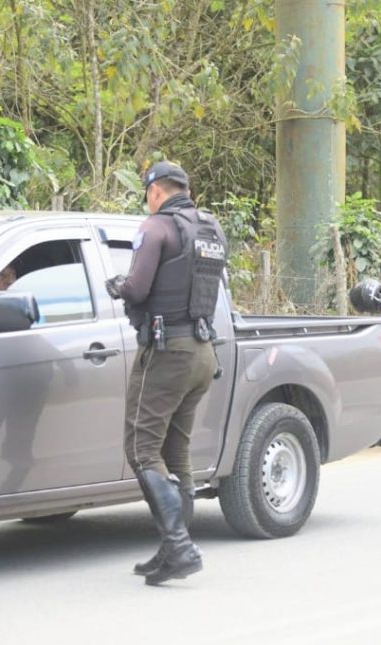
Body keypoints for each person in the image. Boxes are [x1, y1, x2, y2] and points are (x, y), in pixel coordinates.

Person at [105, 160, 227, 585]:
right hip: (202, 352)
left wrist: (118, 286)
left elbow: (138, 288)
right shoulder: (210, 228)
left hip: (166, 352)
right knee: (175, 451)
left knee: (142, 450)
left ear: (156, 190)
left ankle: (178, 546)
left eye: (147, 193)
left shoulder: (156, 227)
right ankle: (172, 547)